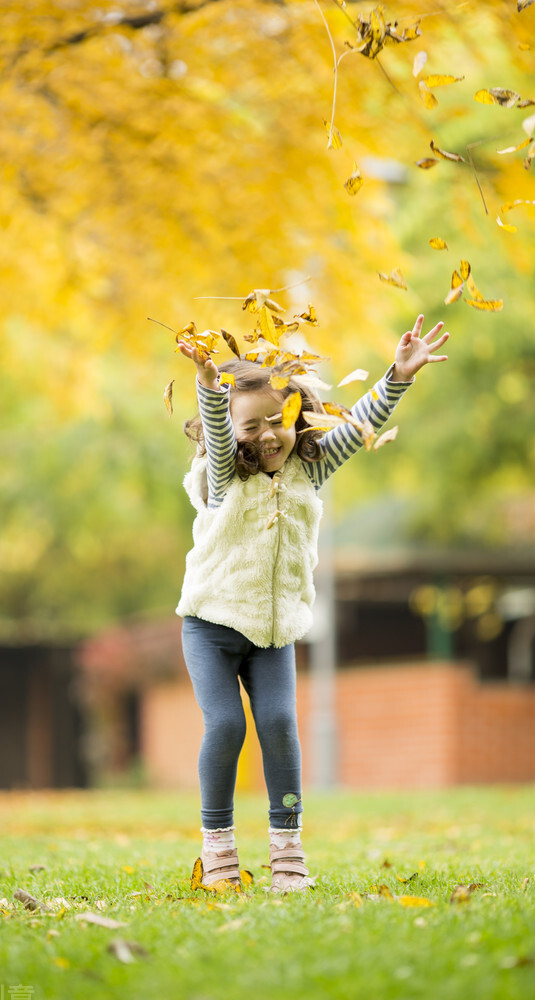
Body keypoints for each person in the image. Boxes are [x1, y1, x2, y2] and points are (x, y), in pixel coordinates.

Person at [175, 314, 448, 892]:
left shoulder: (309, 468)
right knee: (224, 725)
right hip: (211, 626)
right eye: (254, 425)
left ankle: (288, 850)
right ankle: (218, 848)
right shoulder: (226, 477)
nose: (270, 434)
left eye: (280, 418)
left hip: (273, 631)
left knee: (277, 723)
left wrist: (396, 377)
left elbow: (356, 426)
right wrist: (207, 382)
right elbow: (223, 435)